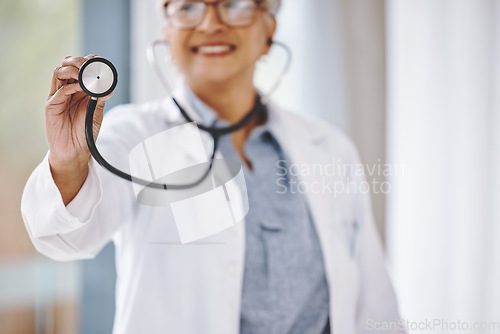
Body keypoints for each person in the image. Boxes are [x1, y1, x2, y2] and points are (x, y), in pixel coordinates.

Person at [21, 0, 403, 333]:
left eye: (234, 4)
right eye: (187, 7)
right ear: (167, 33)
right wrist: (69, 160)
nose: (209, 23)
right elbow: (62, 238)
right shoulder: (131, 136)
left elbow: (374, 302)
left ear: (269, 26)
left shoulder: (329, 149)